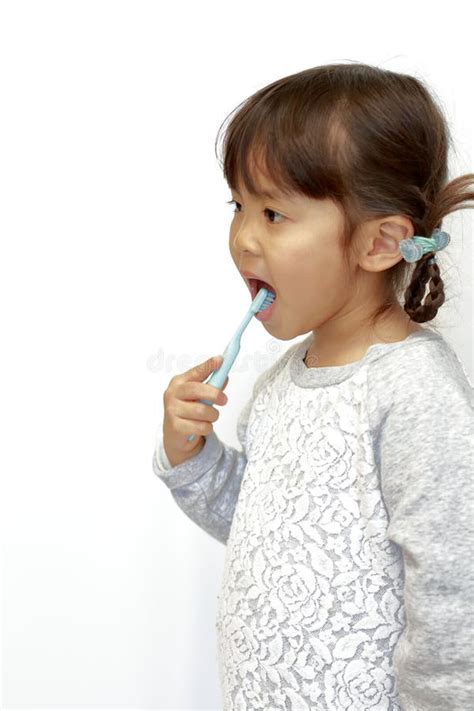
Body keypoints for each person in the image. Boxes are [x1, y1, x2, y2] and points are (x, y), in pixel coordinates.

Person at [153, 62, 474, 710]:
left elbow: (453, 595)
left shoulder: (413, 392)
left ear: (380, 242)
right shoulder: (280, 385)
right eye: (238, 205)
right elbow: (269, 529)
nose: (243, 236)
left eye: (273, 213)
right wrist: (194, 457)